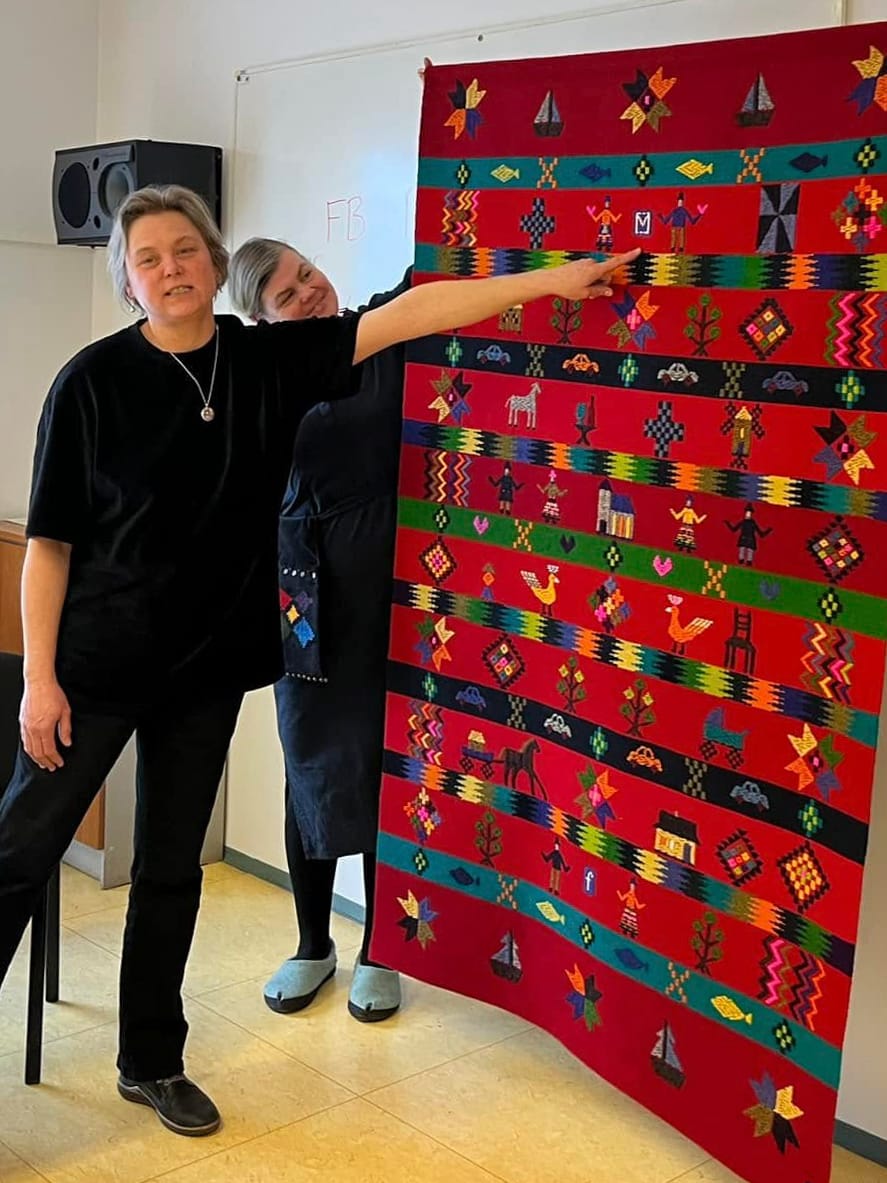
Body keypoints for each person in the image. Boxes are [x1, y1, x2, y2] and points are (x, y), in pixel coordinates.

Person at [0, 181, 638, 1137]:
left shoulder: (268, 360)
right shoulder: (90, 382)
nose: (170, 268)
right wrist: (39, 680)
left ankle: (151, 1060)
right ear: (129, 282)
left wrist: (560, 278)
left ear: (215, 263)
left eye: (185, 249)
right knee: (17, 853)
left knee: (171, 870)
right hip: (89, 671)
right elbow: (48, 545)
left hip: (205, 676)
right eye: (148, 258)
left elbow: (415, 310)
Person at [227, 239, 412, 1024]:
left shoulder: (381, 329)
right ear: (258, 319)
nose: (308, 293)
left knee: (381, 767)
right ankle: (312, 944)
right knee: (310, 763)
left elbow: (436, 268)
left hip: (393, 589)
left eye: (307, 275)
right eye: (284, 293)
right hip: (302, 592)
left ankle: (378, 950)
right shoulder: (261, 376)